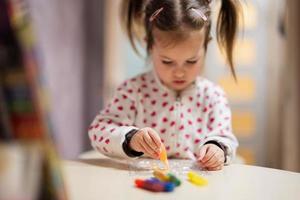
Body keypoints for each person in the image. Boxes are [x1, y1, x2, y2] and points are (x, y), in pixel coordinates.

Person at [89, 0, 241, 171]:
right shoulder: (133, 91)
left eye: (191, 61)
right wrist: (131, 139)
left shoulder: (213, 95)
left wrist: (217, 148)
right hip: (143, 185)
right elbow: (98, 130)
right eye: (167, 61)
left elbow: (226, 137)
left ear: (205, 46)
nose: (179, 72)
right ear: (150, 45)